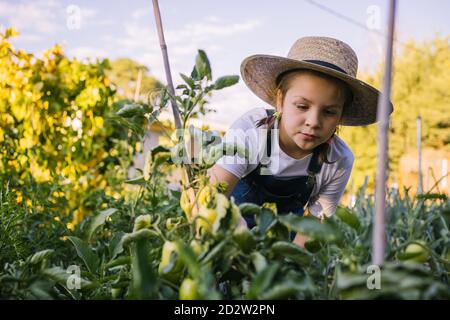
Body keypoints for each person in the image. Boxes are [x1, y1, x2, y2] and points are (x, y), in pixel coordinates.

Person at [206, 36, 393, 247]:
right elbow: (211, 197)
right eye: (302, 106)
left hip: (281, 250)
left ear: (341, 116)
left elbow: (311, 230)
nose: (313, 122)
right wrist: (242, 246)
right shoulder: (252, 131)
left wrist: (288, 267)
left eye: (329, 112)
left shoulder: (337, 161)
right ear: (280, 101)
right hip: (224, 238)